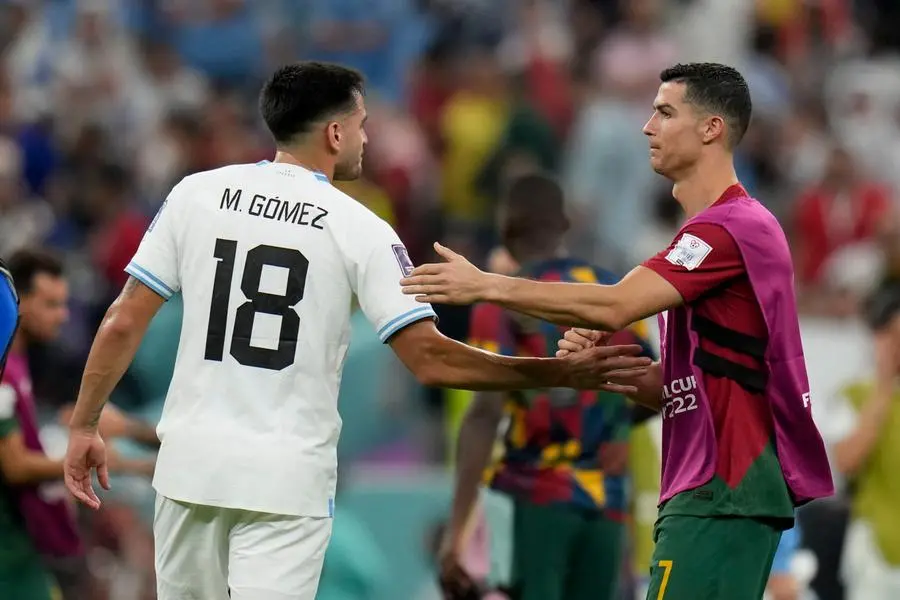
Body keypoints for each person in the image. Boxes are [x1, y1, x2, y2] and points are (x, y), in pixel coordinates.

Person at [61, 62, 651, 600]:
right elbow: (431, 360)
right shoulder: (360, 228)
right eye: (363, 124)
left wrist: (86, 422)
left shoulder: (196, 194)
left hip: (188, 469)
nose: (368, 138)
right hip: (282, 483)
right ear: (336, 134)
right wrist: (556, 371)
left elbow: (123, 318)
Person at [400, 62, 835, 600]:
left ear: (711, 129)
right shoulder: (705, 238)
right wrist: (602, 368)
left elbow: (614, 305)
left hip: (724, 486)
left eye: (665, 112)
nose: (648, 127)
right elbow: (682, 384)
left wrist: (488, 284)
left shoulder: (734, 227)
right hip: (708, 487)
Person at [440, 173, 656, 600]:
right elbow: (654, 379)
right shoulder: (615, 291)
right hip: (607, 506)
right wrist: (609, 426)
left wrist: (457, 533)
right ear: (564, 226)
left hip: (535, 498)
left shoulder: (503, 297)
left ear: (505, 231)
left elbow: (484, 415)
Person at [0, 249, 152, 599]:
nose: (63, 316)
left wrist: (130, 463)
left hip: (23, 548)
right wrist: (93, 462)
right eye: (51, 304)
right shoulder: (6, 372)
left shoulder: (21, 367)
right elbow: (15, 465)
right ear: (19, 304)